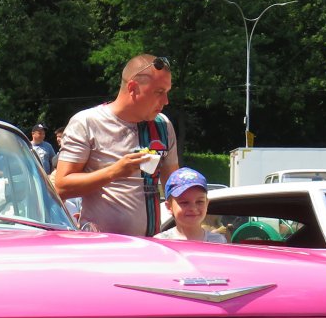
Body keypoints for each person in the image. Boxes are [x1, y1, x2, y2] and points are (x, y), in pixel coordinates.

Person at [54, 54, 180, 236]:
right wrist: (115, 172)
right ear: (133, 88)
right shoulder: (87, 122)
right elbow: (61, 187)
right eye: (159, 92)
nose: (166, 101)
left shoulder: (162, 125)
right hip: (102, 248)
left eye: (167, 92)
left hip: (150, 248)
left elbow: (175, 187)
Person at [155, 168, 227, 243]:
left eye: (199, 201)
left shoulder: (217, 242)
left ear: (207, 203)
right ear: (169, 207)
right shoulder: (160, 242)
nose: (193, 208)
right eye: (184, 202)